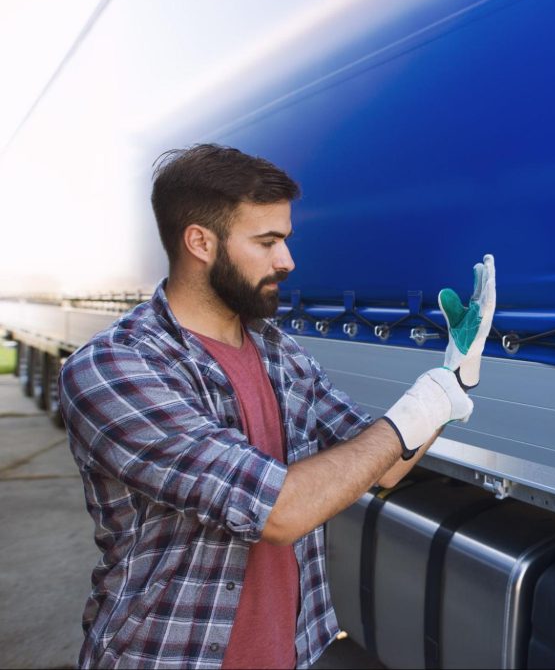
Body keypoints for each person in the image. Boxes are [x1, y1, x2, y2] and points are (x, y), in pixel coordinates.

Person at [58, 144, 496, 669]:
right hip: (168, 655)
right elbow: (277, 511)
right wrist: (423, 405)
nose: (287, 261)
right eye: (267, 242)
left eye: (285, 240)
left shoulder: (280, 353)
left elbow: (386, 462)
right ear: (200, 242)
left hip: (290, 653)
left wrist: (455, 377)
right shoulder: (113, 369)